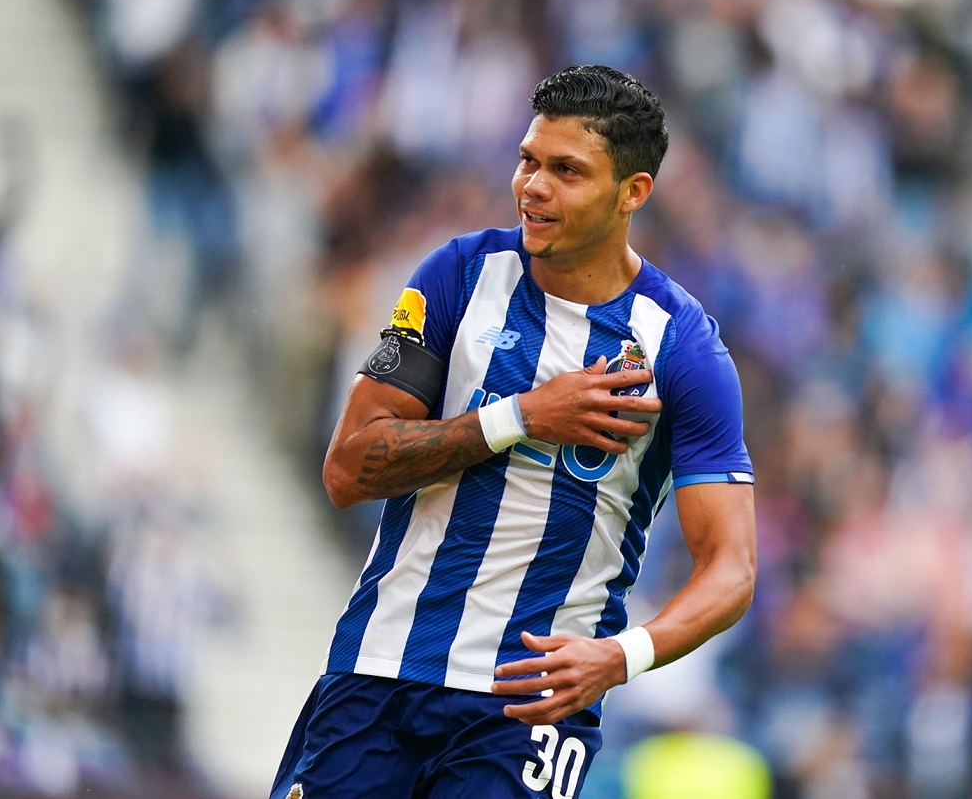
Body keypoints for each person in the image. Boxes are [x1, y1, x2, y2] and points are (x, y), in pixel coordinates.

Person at [270, 64, 757, 799]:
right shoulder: (457, 276)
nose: (533, 186)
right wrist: (521, 417)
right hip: (379, 667)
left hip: (530, 704)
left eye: (567, 171)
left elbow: (731, 567)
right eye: (529, 161)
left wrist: (621, 657)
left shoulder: (681, 348)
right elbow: (348, 469)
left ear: (633, 192)